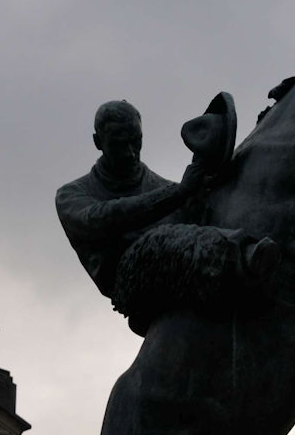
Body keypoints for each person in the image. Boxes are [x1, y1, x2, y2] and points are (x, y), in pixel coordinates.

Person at [56, 95, 275, 332]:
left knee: (190, 225)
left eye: (136, 142)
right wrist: (178, 194)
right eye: (119, 144)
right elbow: (104, 217)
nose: (130, 153)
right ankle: (245, 256)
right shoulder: (72, 195)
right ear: (98, 142)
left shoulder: (165, 188)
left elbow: (203, 215)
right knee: (159, 240)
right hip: (128, 282)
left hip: (178, 272)